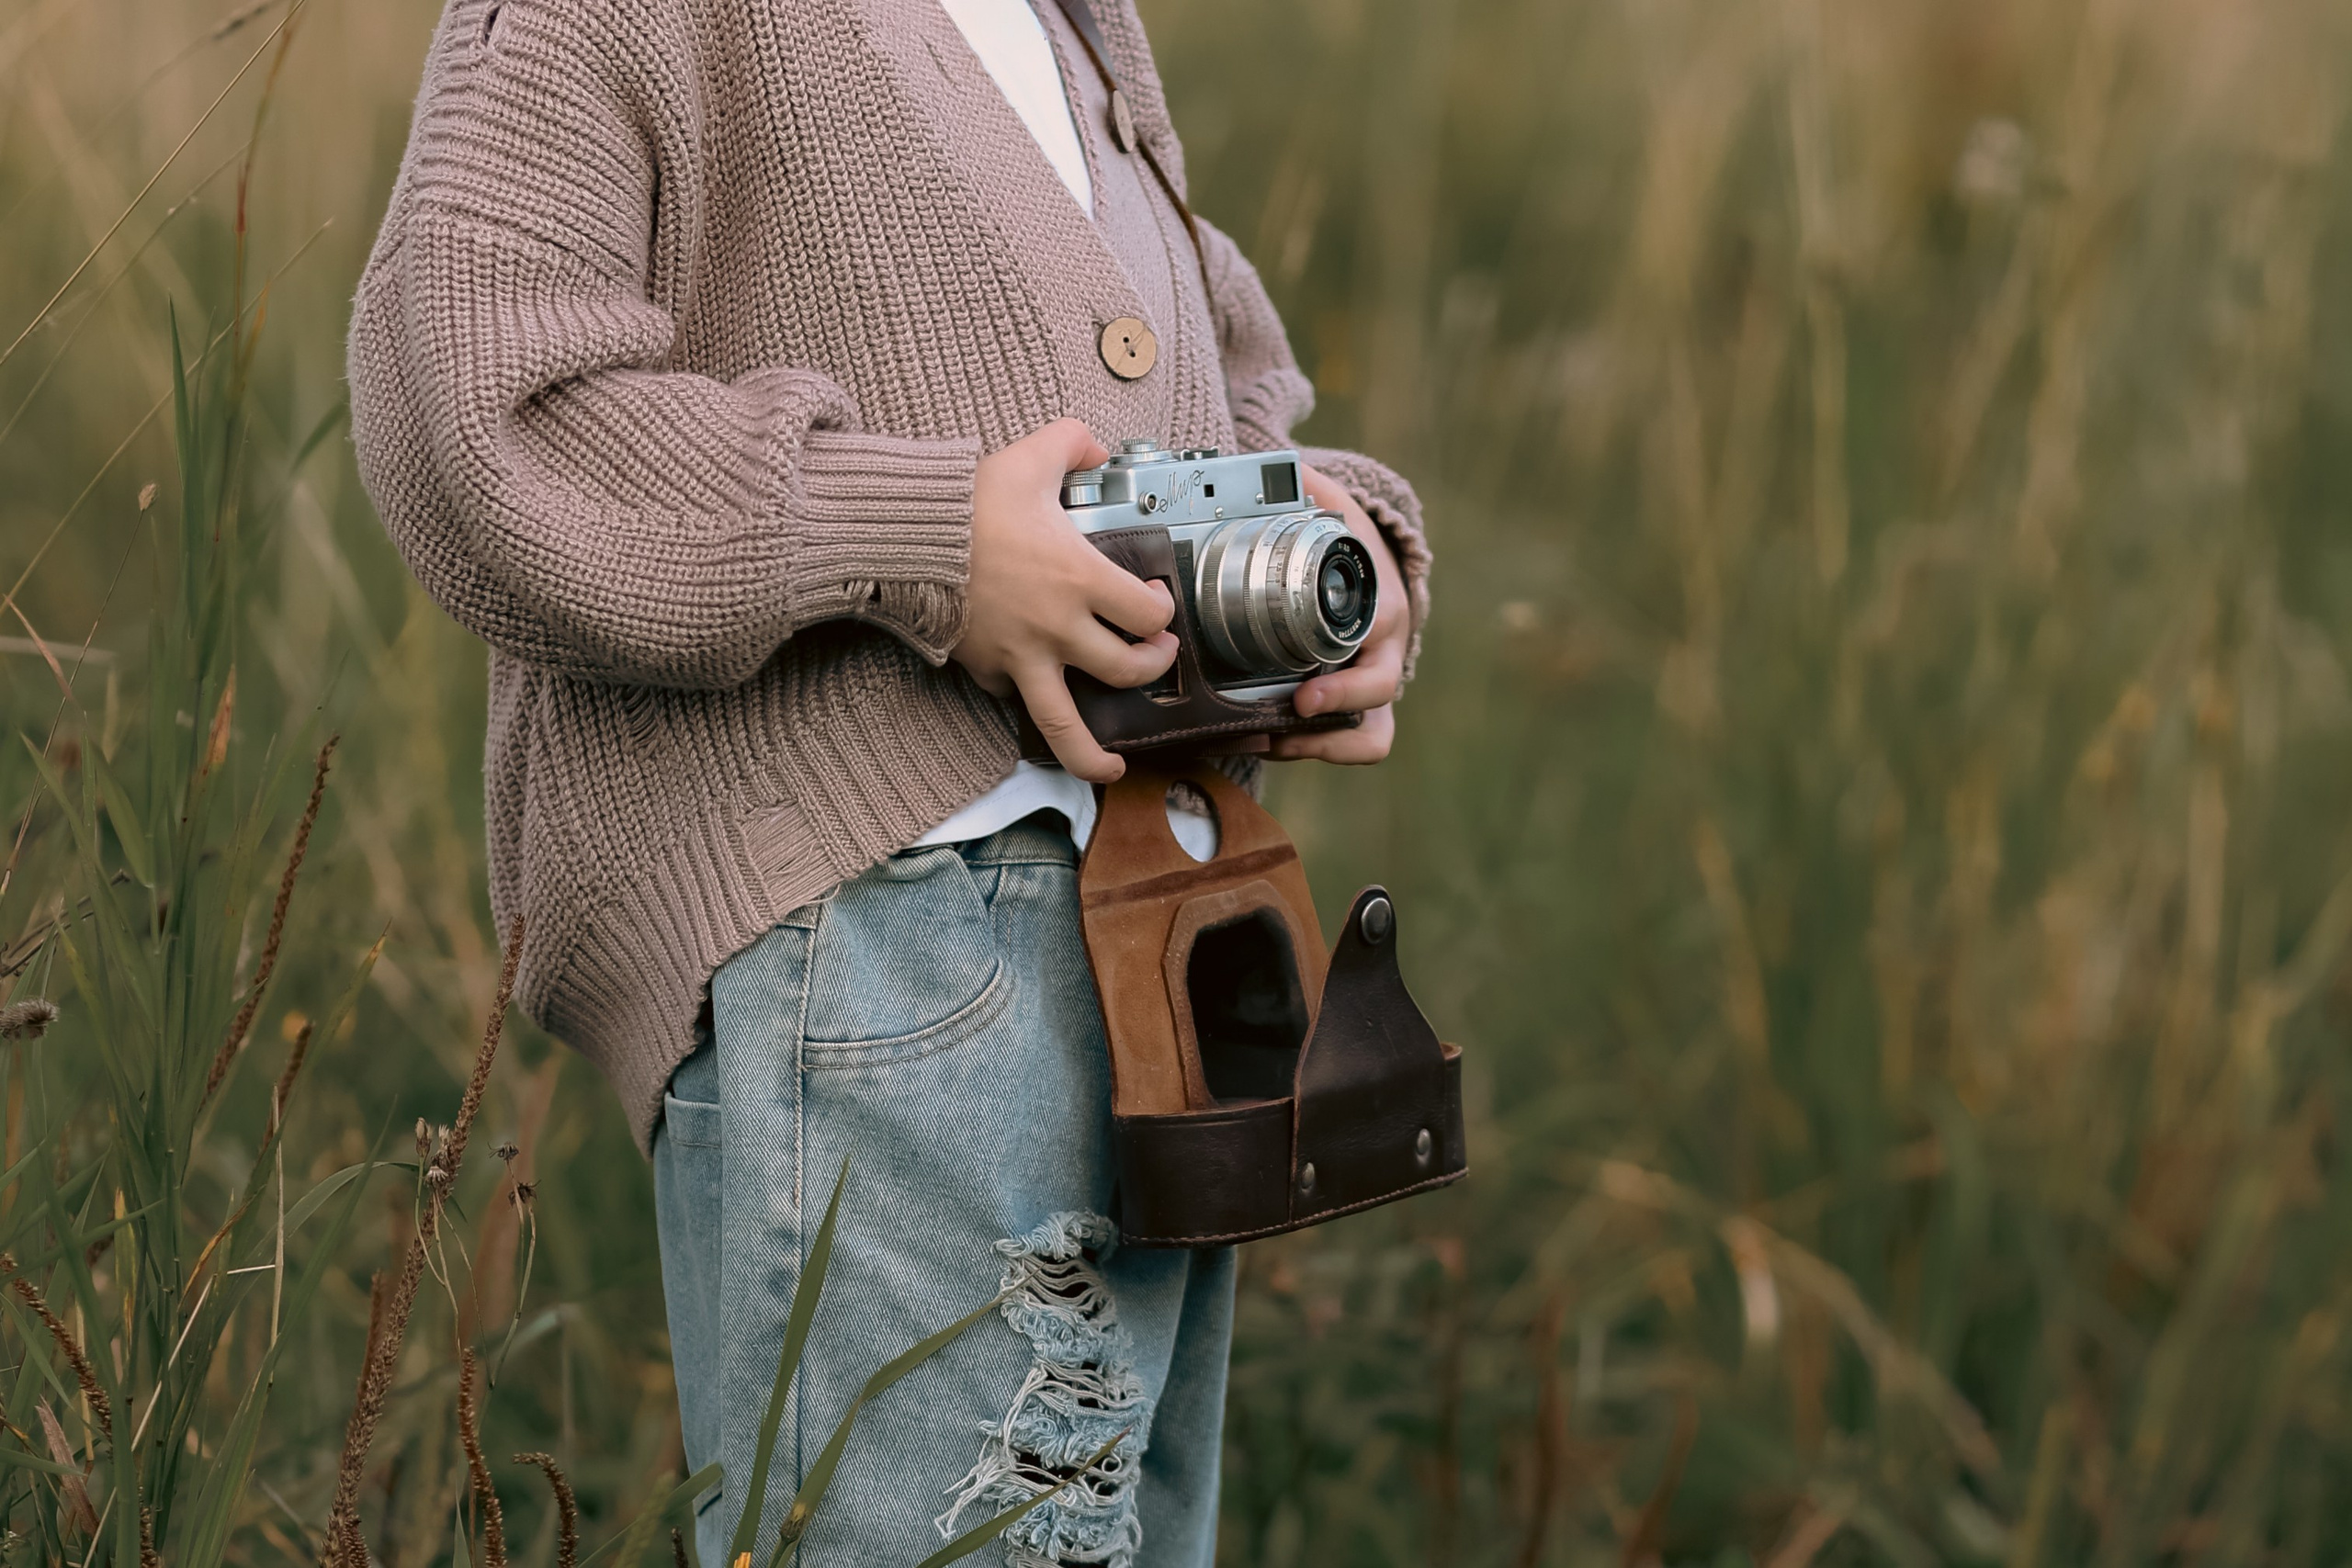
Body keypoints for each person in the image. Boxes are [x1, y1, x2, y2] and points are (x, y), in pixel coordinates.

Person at [347, 0, 1429, 1560]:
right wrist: (926, 539)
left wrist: (1340, 555)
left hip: (1157, 936)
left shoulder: (1069, 22)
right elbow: (479, 413)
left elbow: (1202, 381)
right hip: (884, 935)